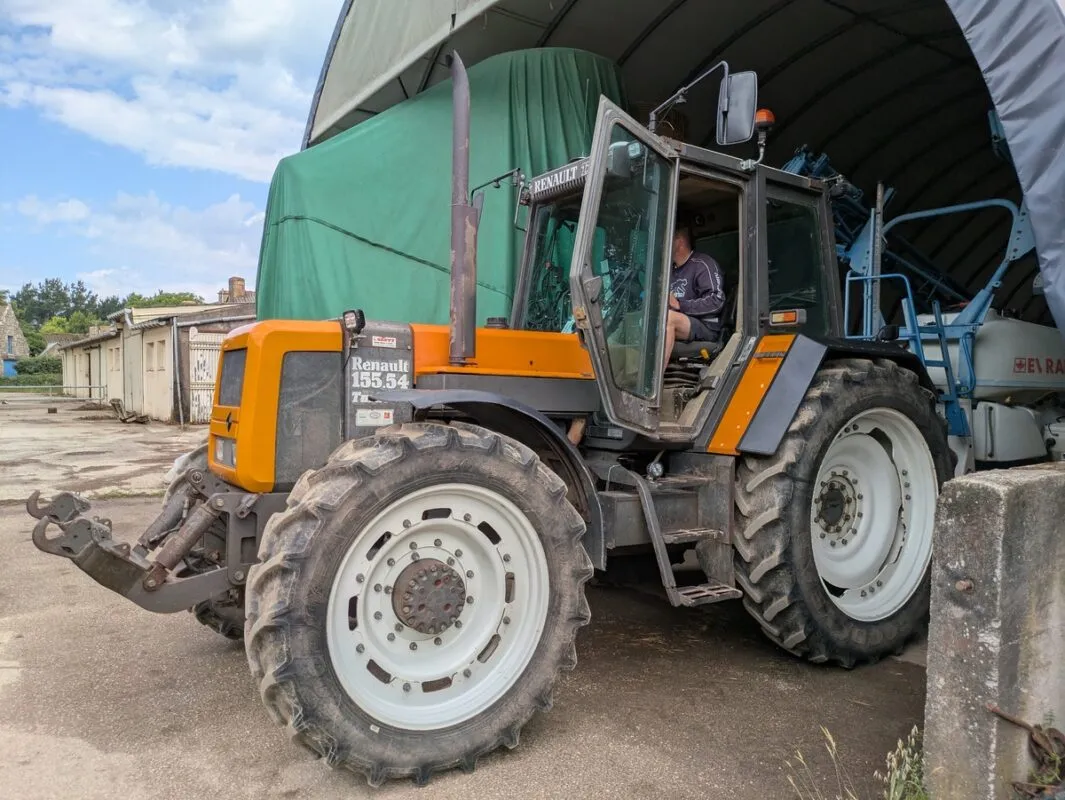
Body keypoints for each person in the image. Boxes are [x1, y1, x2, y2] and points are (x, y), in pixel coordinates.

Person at [664, 226, 726, 358]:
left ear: (679, 241)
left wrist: (680, 305)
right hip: (681, 323)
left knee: (667, 318)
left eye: (667, 238)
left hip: (706, 326)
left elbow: (717, 300)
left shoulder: (702, 264)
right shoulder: (669, 271)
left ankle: (654, 377)